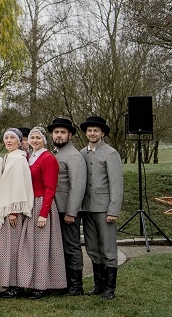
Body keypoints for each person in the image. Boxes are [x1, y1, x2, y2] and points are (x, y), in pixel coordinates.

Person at [17, 127, 66, 299]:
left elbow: (50, 188)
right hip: (30, 204)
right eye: (32, 138)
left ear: (44, 140)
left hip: (41, 204)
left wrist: (43, 214)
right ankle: (30, 282)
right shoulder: (30, 158)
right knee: (30, 247)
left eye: (38, 138)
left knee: (42, 248)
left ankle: (42, 285)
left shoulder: (48, 158)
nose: (35, 141)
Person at [79, 116, 123, 300]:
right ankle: (98, 284)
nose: (92, 133)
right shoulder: (82, 153)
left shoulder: (110, 153)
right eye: (89, 130)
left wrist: (113, 210)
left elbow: (117, 184)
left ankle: (110, 288)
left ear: (102, 133)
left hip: (104, 208)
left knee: (108, 247)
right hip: (87, 208)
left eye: (96, 130)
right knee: (92, 247)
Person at [48, 117, 87, 296]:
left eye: (63, 132)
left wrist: (71, 212)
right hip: (55, 209)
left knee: (71, 246)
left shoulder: (74, 156)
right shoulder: (57, 154)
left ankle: (76, 286)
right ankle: (62, 283)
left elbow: (77, 186)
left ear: (70, 135)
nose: (59, 135)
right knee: (60, 246)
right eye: (56, 132)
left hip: (68, 210)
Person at [0, 128, 34, 298]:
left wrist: (13, 211)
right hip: (5, 210)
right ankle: (9, 283)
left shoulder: (18, 159)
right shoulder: (9, 157)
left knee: (12, 249)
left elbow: (18, 186)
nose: (9, 141)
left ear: (19, 141)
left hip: (12, 211)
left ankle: (15, 285)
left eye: (12, 138)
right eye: (6, 138)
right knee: (5, 249)